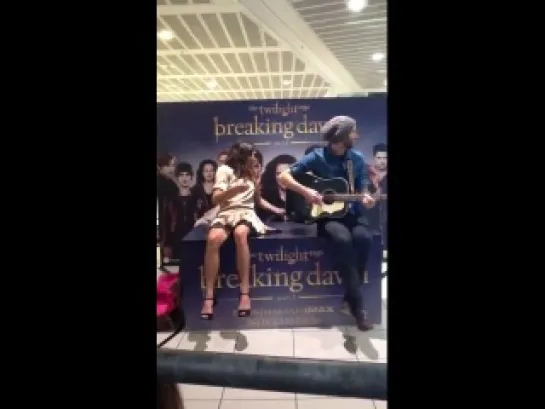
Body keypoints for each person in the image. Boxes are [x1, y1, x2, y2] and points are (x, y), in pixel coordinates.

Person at [278, 116, 376, 331]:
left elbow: (363, 184)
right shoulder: (317, 157)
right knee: (343, 239)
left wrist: (366, 196)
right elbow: (283, 177)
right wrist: (307, 192)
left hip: (353, 213)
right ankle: (358, 307)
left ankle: (350, 296)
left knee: (364, 238)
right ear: (342, 137)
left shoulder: (356, 158)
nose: (356, 136)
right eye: (352, 132)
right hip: (328, 216)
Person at [200, 142, 279, 320]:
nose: (254, 157)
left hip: (247, 213)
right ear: (242, 155)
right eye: (251, 154)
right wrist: (234, 189)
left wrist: (277, 210)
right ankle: (209, 295)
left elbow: (257, 199)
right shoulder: (224, 171)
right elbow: (215, 199)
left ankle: (245, 293)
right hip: (227, 212)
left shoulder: (252, 173)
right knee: (213, 239)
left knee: (240, 233)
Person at [157, 153, 179, 268]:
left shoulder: (171, 184)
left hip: (169, 226)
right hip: (162, 226)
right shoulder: (161, 183)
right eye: (170, 165)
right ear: (160, 167)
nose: (173, 168)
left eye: (174, 165)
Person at [259, 154, 297, 222]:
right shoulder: (264, 195)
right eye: (278, 174)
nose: (282, 178)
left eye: (287, 174)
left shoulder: (302, 194)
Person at [174, 162, 197, 241]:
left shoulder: (197, 197)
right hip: (175, 238)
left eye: (187, 175)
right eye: (181, 175)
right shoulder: (171, 198)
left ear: (191, 177)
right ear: (177, 177)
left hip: (194, 238)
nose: (184, 178)